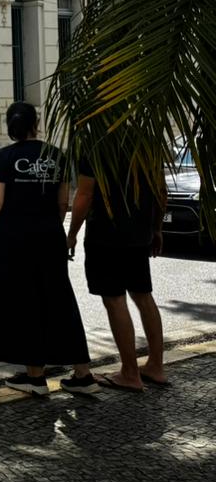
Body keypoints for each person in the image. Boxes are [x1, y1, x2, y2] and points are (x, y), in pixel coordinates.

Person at [0, 101, 98, 396]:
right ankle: (82, 373)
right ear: (37, 124)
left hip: (12, 239)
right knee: (59, 301)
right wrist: (51, 227)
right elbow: (63, 202)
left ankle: (36, 378)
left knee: (25, 304)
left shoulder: (4, 157)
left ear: (11, 126)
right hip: (48, 235)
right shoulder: (55, 155)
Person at [66, 144, 168, 391]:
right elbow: (160, 191)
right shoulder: (144, 143)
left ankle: (130, 373)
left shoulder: (96, 147)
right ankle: (155, 366)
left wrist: (72, 234)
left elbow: (85, 194)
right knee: (143, 296)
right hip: (139, 233)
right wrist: (156, 228)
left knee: (115, 300)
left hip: (106, 235)